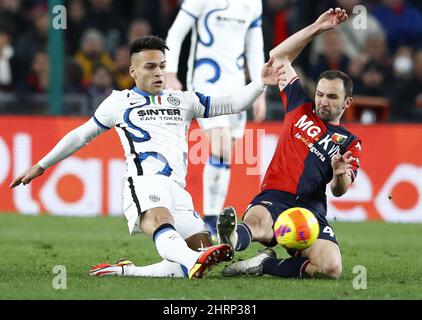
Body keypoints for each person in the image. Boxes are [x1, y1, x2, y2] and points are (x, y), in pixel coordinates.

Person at [10, 35, 281, 279]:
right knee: (164, 224)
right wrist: (40, 165)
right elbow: (81, 135)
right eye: (150, 67)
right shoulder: (119, 101)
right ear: (133, 71)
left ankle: (129, 271)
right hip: (144, 182)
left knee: (204, 249)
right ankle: (193, 260)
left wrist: (261, 82)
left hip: (178, 189)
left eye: (162, 65)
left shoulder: (182, 100)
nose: (159, 72)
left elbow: (233, 103)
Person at [217, 8, 362, 279]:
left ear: (347, 103)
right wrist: (317, 27)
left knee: (331, 268)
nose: (322, 101)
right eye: (320, 94)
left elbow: (340, 190)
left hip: (310, 211)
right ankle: (233, 236)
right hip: (275, 196)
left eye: (331, 97)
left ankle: (263, 264)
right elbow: (278, 57)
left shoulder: (350, 143)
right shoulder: (298, 104)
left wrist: (340, 174)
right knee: (257, 224)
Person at [165, 0, 267, 237]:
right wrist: (170, 72)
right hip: (206, 80)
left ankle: (214, 218)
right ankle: (210, 219)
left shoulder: (253, 4)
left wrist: (260, 90)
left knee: (226, 152)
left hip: (236, 87)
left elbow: (255, 48)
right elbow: (176, 32)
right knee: (220, 145)